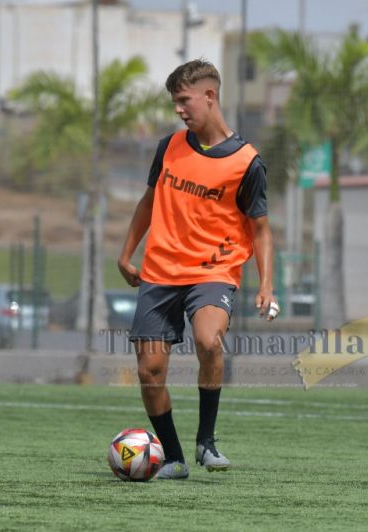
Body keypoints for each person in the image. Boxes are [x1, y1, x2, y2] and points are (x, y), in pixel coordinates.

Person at [118, 59, 279, 479]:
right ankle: (174, 458)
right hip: (159, 271)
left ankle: (206, 441)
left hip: (213, 271)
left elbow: (261, 230)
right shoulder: (168, 147)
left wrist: (266, 283)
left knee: (209, 341)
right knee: (149, 371)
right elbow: (148, 202)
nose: (178, 109)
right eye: (174, 102)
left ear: (210, 96)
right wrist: (126, 253)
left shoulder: (247, 162)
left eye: (184, 100)